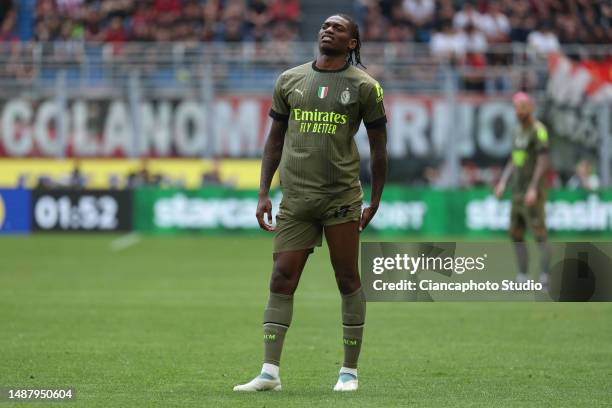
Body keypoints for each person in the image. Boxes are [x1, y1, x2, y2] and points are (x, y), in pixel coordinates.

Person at [233, 14, 387, 392]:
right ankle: (270, 372)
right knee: (281, 278)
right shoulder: (289, 80)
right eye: (325, 25)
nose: (328, 29)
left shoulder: (365, 87)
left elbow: (380, 149)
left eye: (338, 28)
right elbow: (274, 139)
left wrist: (376, 198)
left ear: (352, 42)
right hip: (296, 199)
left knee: (347, 278)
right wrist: (263, 192)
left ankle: (349, 371)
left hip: (340, 197)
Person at [495, 92, 551, 286]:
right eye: (516, 107)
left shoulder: (539, 130)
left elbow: (543, 161)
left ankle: (545, 276)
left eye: (522, 107)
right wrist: (503, 182)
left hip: (532, 190)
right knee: (516, 233)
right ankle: (522, 275)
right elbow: (513, 159)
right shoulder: (516, 131)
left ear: (530, 108)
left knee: (539, 233)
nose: (518, 111)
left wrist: (534, 188)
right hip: (517, 191)